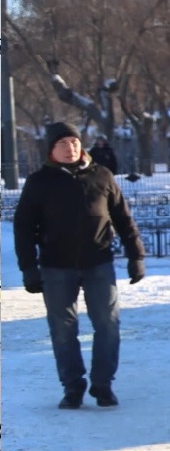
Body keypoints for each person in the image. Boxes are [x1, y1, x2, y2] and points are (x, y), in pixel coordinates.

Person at [13, 121, 146, 408]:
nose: (70, 147)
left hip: (98, 262)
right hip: (55, 267)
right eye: (62, 143)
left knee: (108, 325)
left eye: (74, 142)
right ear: (51, 149)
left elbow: (123, 218)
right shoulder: (39, 182)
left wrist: (136, 256)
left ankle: (102, 385)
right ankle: (72, 386)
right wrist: (29, 268)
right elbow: (23, 226)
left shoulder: (102, 175)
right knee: (63, 329)